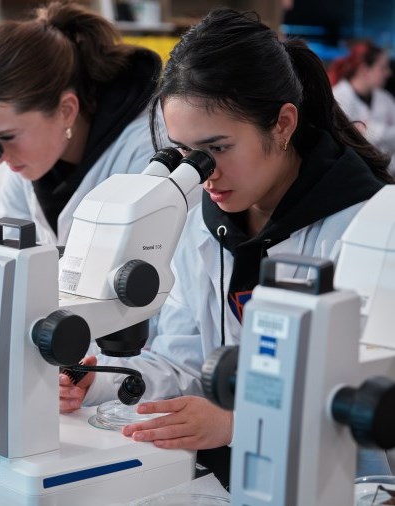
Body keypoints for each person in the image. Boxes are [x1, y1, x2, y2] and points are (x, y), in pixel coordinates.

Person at [58, 8, 394, 486]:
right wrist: (108, 381)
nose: (203, 172)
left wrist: (239, 426)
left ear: (282, 124)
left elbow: (369, 416)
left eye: (216, 148)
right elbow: (185, 363)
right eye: (185, 153)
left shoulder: (368, 228)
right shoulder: (198, 223)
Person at [0, 2, 167, 292]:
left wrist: (3, 269)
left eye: (8, 136)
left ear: (66, 110)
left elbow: (128, 285)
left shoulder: (147, 154)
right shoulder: (27, 165)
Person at [329, 40, 395, 175]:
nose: (388, 73)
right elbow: (347, 145)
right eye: (382, 68)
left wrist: (370, 129)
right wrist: (385, 133)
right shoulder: (339, 97)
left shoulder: (385, 99)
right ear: (365, 69)